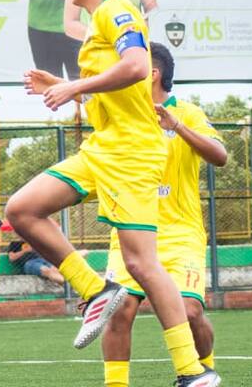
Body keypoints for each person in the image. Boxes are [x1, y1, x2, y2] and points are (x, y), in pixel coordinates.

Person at [5, 0, 219, 386]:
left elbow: (138, 66)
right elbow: (116, 88)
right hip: (104, 150)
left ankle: (192, 373)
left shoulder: (117, 7)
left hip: (130, 155)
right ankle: (96, 289)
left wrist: (71, 88)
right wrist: (66, 86)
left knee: (142, 265)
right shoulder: (97, 19)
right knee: (22, 210)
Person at [102, 43, 226, 387]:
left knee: (189, 311)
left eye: (133, 65)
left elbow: (220, 156)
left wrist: (178, 128)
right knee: (118, 309)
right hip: (129, 230)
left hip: (180, 234)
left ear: (152, 73)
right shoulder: (122, 113)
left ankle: (202, 374)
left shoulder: (187, 112)